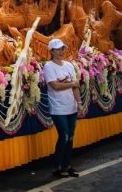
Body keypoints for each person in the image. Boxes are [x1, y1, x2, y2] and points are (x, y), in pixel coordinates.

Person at [43, 37, 81, 178]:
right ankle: (57, 166)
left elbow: (76, 86)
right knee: (64, 136)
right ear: (51, 51)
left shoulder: (69, 66)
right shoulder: (49, 66)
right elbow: (55, 86)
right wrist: (72, 84)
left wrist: (79, 103)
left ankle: (67, 165)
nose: (60, 51)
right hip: (58, 108)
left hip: (71, 107)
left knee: (70, 137)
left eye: (62, 49)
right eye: (57, 49)